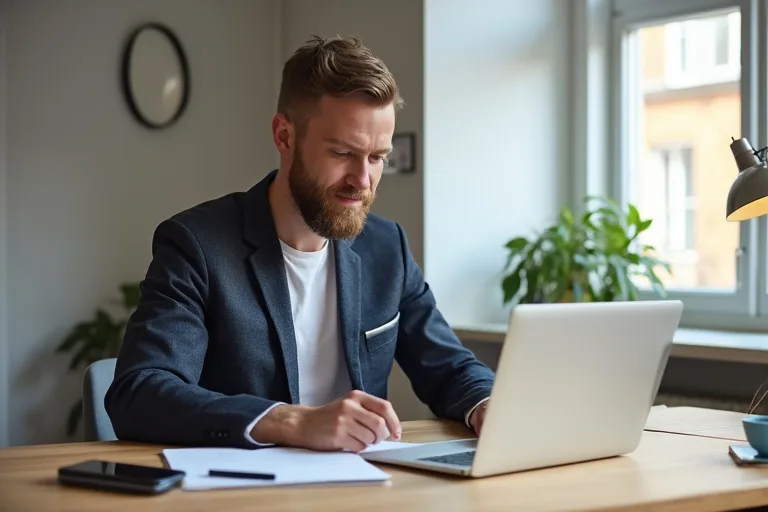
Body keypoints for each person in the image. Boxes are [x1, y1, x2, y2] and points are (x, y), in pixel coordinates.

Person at [105, 35, 495, 452]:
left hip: (367, 486)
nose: (363, 181)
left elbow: (450, 367)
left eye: (378, 157)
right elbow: (140, 392)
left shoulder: (387, 247)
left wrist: (489, 406)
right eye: (343, 152)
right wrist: (290, 422)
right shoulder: (197, 246)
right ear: (285, 136)